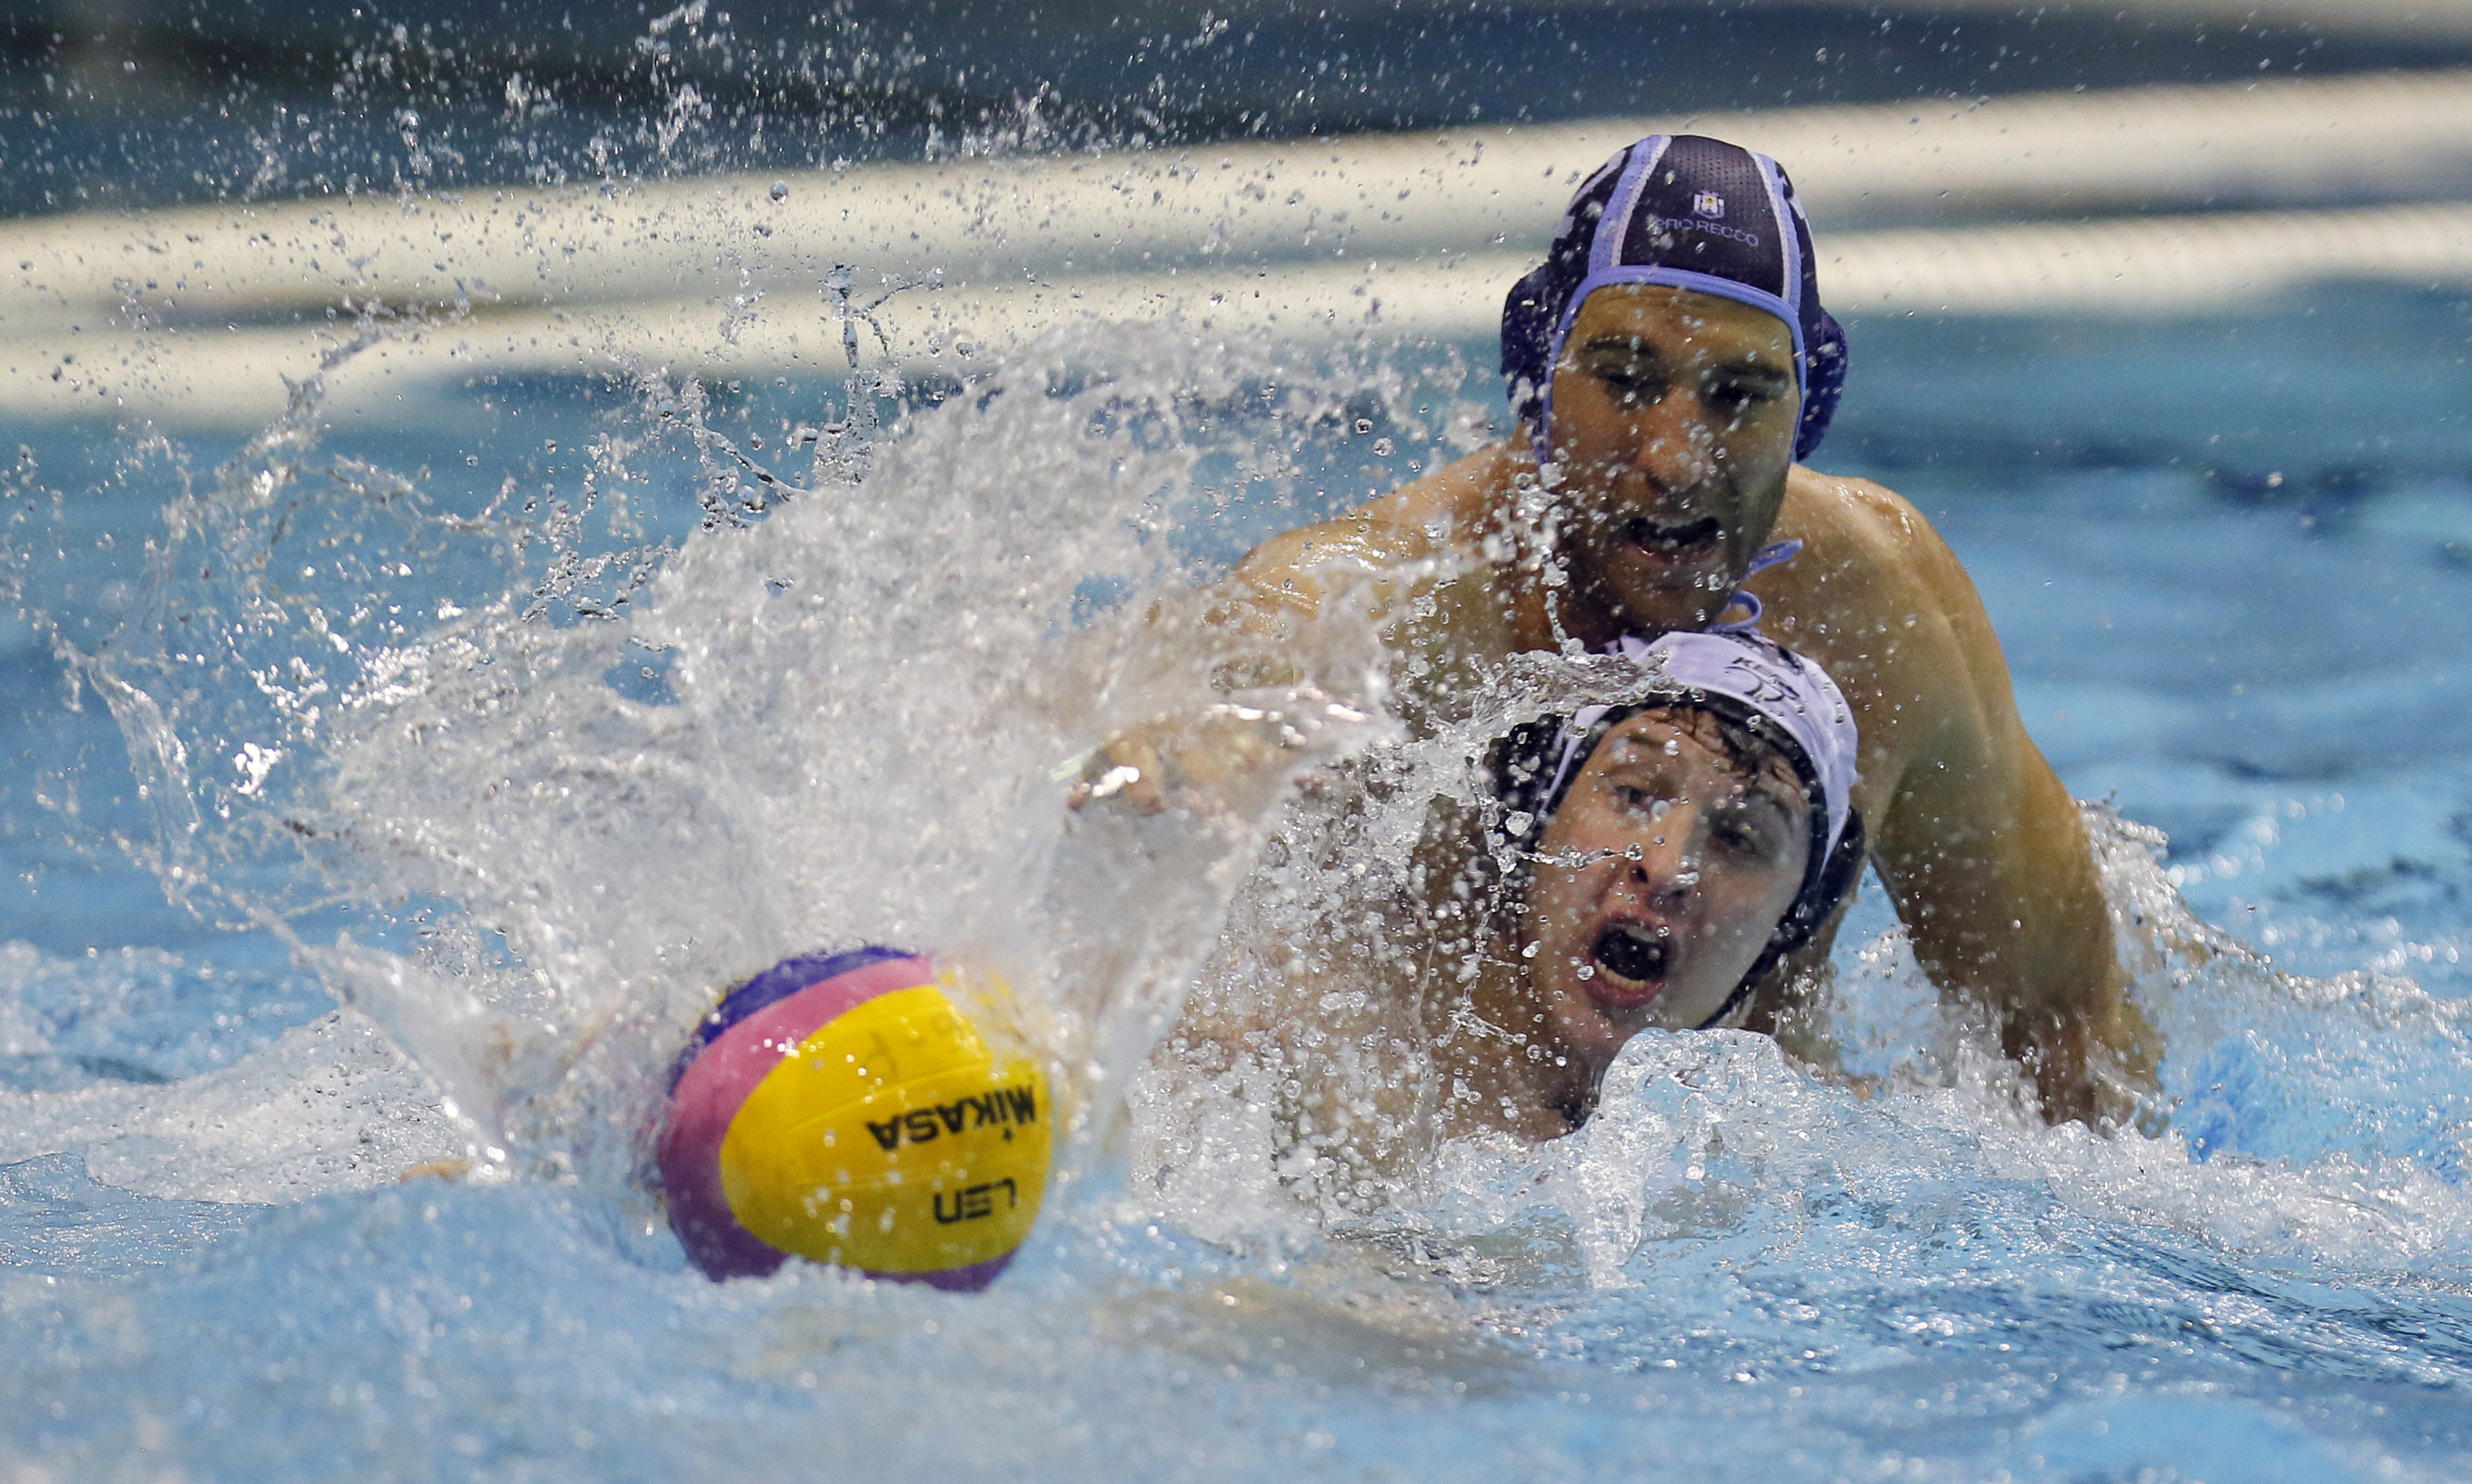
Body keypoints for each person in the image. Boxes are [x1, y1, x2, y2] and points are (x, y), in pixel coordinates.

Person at [1104, 133, 2153, 1126]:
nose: (1677, 457)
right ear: (1538, 370)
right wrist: (1186, 751)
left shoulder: (1876, 609)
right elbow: (1203, 738)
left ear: (1811, 404)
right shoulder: (1390, 610)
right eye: (1627, 379)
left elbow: (2064, 1032)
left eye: (1739, 393)